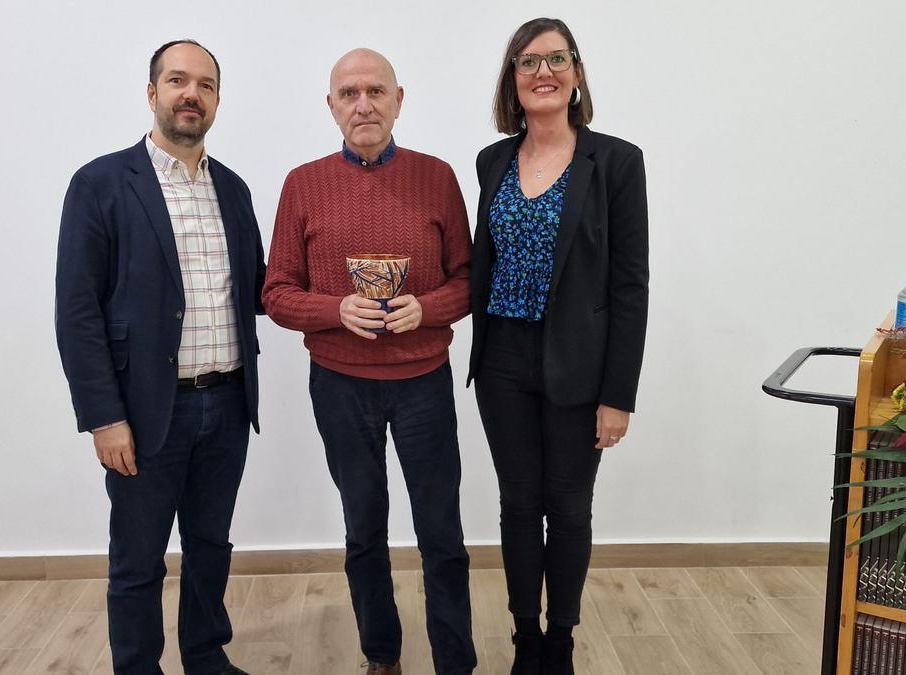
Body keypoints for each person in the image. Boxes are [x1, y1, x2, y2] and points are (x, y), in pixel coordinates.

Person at [262, 48, 477, 675]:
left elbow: (469, 280)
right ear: (331, 106)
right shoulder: (302, 184)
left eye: (376, 92)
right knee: (364, 529)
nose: (364, 104)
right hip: (339, 385)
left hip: (423, 384)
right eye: (350, 93)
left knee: (441, 534)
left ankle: (455, 662)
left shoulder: (436, 177)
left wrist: (428, 308)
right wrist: (337, 312)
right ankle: (381, 656)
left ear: (399, 99)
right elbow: (276, 292)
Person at [55, 39, 264, 675]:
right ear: (153, 94)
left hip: (227, 403)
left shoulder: (233, 189)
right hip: (145, 415)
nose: (190, 94)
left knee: (211, 548)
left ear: (218, 101)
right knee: (138, 559)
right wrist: (103, 417)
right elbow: (78, 312)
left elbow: (259, 288)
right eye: (177, 81)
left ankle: (206, 657)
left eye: (204, 85)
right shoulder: (100, 184)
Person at [467, 17, 649, 675]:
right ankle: (525, 638)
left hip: (580, 360)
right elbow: (480, 262)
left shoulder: (617, 162)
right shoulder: (491, 161)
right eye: (528, 62)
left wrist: (617, 395)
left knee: (568, 506)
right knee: (518, 503)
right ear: (512, 82)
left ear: (575, 75)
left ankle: (562, 641)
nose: (543, 73)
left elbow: (631, 285)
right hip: (502, 360)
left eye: (557, 59)